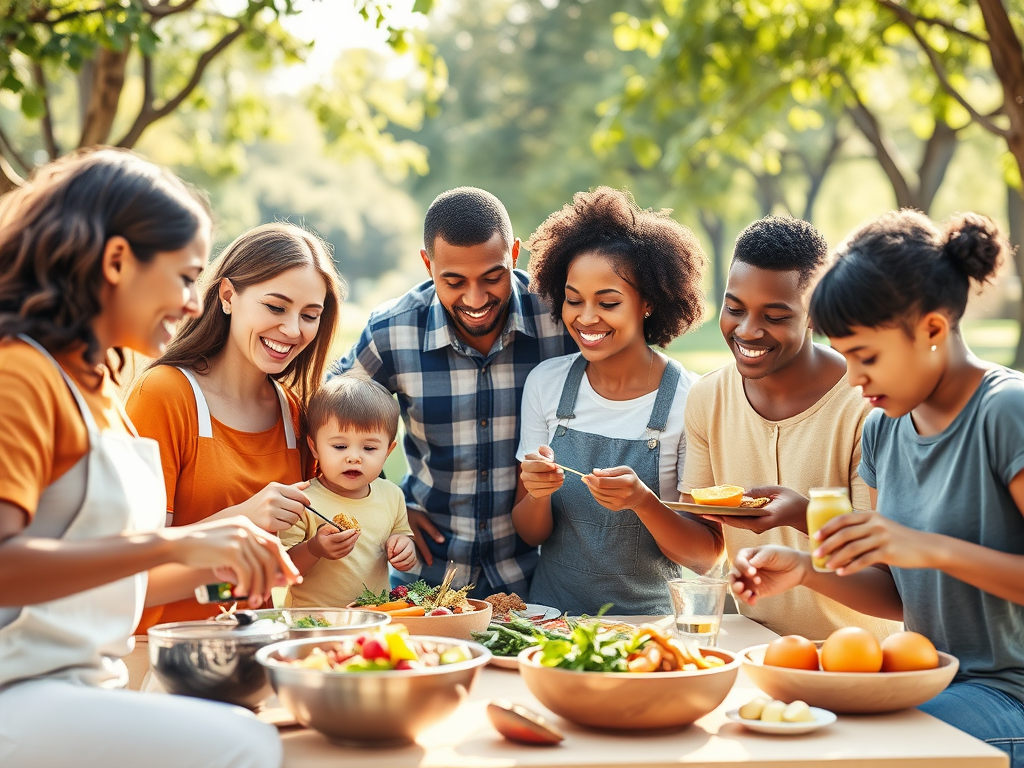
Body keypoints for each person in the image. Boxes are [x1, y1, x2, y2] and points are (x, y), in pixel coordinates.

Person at [0, 149, 297, 767]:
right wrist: (175, 543)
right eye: (186, 276)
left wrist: (220, 561)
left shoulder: (99, 388)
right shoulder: (19, 375)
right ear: (116, 261)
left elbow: (113, 583)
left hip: (82, 687)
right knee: (249, 746)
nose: (193, 302)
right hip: (18, 694)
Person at [729, 209, 1024, 765]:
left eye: (867, 357)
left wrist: (924, 546)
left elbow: (920, 553)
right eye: (846, 357)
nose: (855, 379)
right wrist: (806, 572)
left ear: (933, 330)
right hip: (922, 680)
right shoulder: (886, 430)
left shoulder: (1005, 413)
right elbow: (896, 596)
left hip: (1009, 696)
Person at [332, 187, 577, 597]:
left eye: (492, 277)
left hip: (534, 580)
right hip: (424, 581)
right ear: (427, 264)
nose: (476, 298)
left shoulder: (559, 318)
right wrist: (388, 502)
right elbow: (325, 410)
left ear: (514, 254)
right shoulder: (393, 330)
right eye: (454, 281)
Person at [682, 216, 899, 639]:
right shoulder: (707, 398)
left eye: (775, 315)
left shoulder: (866, 408)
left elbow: (887, 571)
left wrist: (803, 515)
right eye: (734, 308)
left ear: (815, 314)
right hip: (752, 643)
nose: (747, 330)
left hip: (856, 655)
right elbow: (705, 545)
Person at [512, 187, 722, 614]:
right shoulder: (546, 385)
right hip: (551, 622)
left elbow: (705, 555)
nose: (586, 318)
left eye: (608, 302)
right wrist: (536, 494)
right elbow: (530, 533)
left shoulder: (692, 399)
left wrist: (643, 501)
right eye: (574, 300)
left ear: (647, 303)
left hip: (651, 628)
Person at [125, 222, 344, 631]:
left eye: (310, 315)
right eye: (276, 307)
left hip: (255, 651)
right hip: (162, 655)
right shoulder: (164, 394)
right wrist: (241, 519)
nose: (293, 330)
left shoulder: (295, 414)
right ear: (228, 296)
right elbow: (128, 566)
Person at [280, 373, 416, 607]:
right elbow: (283, 570)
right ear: (314, 447)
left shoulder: (392, 496)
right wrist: (314, 548)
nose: (354, 457)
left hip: (374, 618)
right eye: (340, 446)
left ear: (388, 451)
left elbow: (401, 534)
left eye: (369, 447)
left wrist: (404, 546)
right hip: (314, 622)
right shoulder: (303, 500)